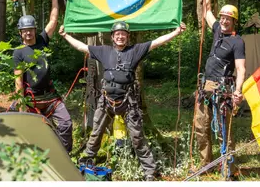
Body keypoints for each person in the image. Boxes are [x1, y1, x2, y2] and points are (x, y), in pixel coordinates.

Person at [59, 20, 187, 181]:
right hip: (106, 101)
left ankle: (150, 172)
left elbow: (157, 42)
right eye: (117, 34)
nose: (120, 37)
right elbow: (81, 47)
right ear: (112, 37)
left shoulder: (135, 50)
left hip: (129, 102)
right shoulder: (103, 51)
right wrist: (65, 35)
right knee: (96, 134)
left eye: (123, 34)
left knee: (137, 137)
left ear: (128, 37)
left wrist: (176, 32)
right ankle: (85, 165)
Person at [193, 0, 246, 173]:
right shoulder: (216, 30)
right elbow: (206, 10)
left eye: (227, 19)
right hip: (206, 86)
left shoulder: (237, 42)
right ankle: (205, 164)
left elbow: (241, 68)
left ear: (234, 21)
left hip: (223, 89)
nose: (223, 21)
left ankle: (228, 167)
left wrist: (238, 91)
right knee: (201, 126)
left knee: (224, 130)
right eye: (222, 17)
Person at [11, 0, 73, 154]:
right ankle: (32, 157)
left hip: (51, 97)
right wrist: (22, 106)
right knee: (29, 131)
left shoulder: (42, 40)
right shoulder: (18, 52)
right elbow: (18, 80)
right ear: (20, 33)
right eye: (25, 31)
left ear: (35, 30)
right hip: (32, 100)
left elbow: (53, 20)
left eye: (31, 30)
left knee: (66, 123)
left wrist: (54, 0)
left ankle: (64, 155)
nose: (28, 33)